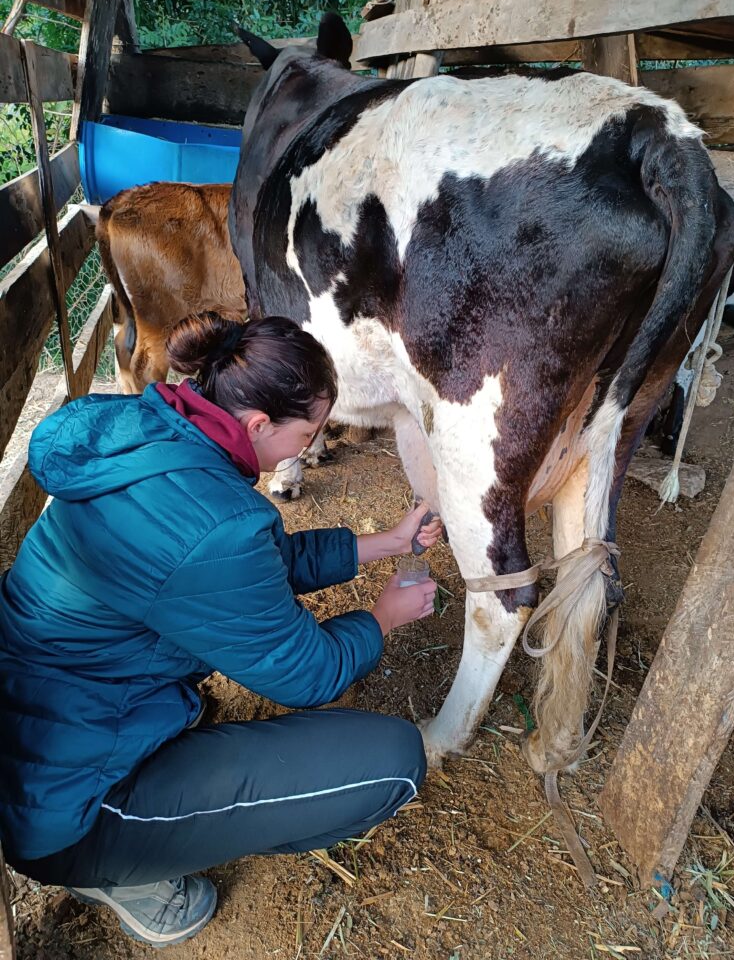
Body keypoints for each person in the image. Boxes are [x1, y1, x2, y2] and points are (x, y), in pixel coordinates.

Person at [0, 312, 442, 948]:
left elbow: (252, 565)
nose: (308, 448)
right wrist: (382, 618)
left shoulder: (154, 441)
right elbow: (307, 672)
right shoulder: (214, 526)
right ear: (259, 425)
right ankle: (121, 876)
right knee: (393, 764)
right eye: (309, 433)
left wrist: (387, 543)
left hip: (46, 725)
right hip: (70, 807)